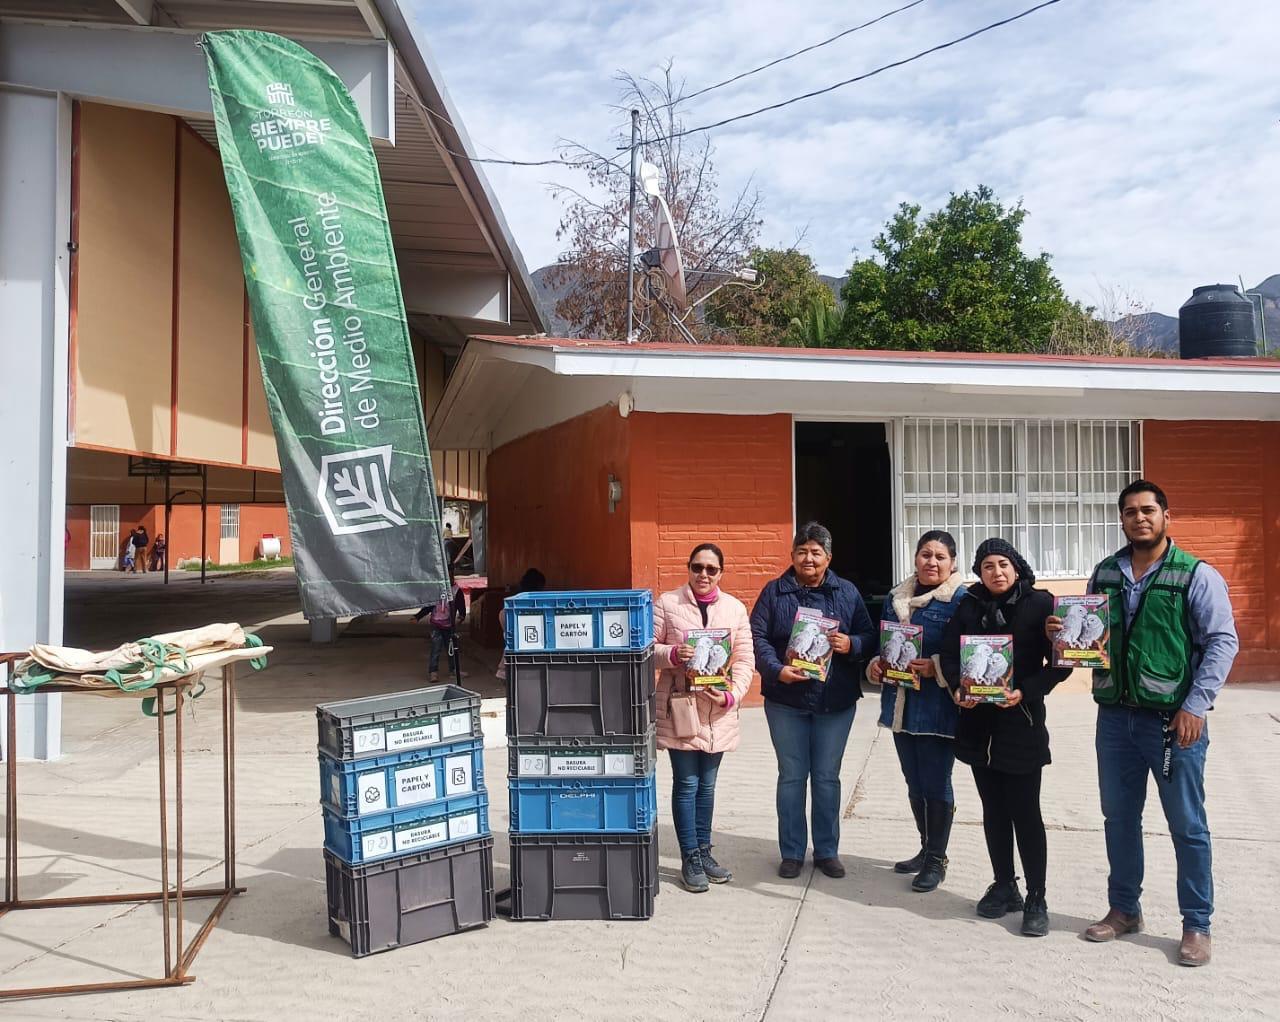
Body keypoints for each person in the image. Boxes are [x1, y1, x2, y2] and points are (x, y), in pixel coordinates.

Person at [1049, 480, 1238, 967]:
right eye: (1130, 512)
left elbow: (1222, 642)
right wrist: (1062, 633)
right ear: (1122, 520)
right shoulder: (1106, 572)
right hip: (1115, 719)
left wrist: (1195, 705)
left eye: (1148, 510)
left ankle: (1196, 923)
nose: (1140, 518)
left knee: (1187, 826)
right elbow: (1089, 635)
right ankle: (1124, 909)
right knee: (1119, 819)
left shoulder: (1194, 574)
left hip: (1173, 723)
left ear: (1166, 517)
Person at [939, 538, 1069, 937]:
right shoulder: (969, 604)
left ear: (1016, 567)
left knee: (1026, 814)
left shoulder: (1041, 604)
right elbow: (948, 653)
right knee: (993, 812)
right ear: (979, 572)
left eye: (1003, 564)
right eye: (988, 566)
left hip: (1022, 725)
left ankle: (1037, 897)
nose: (996, 572)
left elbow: (1062, 662)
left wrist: (1025, 691)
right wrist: (959, 689)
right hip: (979, 728)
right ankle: (1004, 884)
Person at [751, 522, 876, 879]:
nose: (808, 558)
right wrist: (776, 670)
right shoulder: (774, 593)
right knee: (791, 776)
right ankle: (791, 852)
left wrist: (850, 644)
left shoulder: (847, 592)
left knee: (826, 778)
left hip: (834, 702)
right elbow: (756, 636)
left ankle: (826, 851)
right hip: (785, 700)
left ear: (828, 558)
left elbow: (870, 635)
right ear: (792, 556)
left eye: (816, 552)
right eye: (802, 551)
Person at [868, 530, 969, 893]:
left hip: (938, 706)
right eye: (925, 554)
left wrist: (938, 667)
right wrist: (877, 665)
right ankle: (926, 848)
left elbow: (969, 654)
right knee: (913, 781)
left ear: (953, 562)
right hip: (900, 704)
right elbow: (884, 645)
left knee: (936, 781)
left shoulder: (962, 600)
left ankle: (937, 859)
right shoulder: (896, 597)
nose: (931, 562)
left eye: (940, 557)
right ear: (915, 559)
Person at [653, 543, 755, 892]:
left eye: (712, 569)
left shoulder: (735, 609)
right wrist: (672, 654)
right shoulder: (668, 604)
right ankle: (690, 857)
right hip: (681, 707)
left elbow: (744, 660)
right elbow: (645, 650)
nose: (704, 575)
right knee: (687, 784)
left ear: (721, 573)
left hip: (717, 710)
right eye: (698, 567)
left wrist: (732, 695)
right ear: (689, 568)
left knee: (707, 786)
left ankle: (704, 850)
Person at [414, 571, 467, 683]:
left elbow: (461, 606)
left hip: (449, 625)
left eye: (450, 577)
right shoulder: (436, 590)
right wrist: (418, 616)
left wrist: (461, 617)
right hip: (436, 624)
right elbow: (428, 606)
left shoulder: (457, 591)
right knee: (435, 649)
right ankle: (433, 672)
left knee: (451, 649)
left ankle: (453, 670)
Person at [496, 568, 546, 681]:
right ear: (539, 585)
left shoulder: (518, 597)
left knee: (513, 643)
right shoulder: (536, 600)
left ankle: (504, 670)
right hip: (517, 618)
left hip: (506, 615)